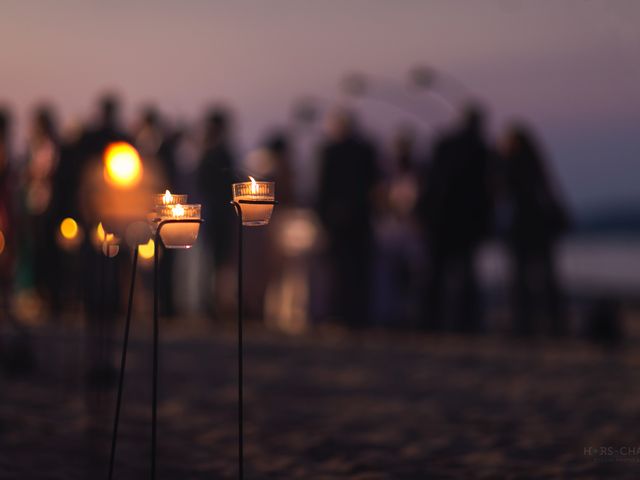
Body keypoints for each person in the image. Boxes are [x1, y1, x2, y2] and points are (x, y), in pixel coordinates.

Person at [417, 105, 493, 333]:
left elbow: (431, 183)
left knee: (437, 274)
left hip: (442, 222)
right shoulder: (479, 149)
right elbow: (485, 191)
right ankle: (465, 322)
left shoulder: (446, 145)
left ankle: (432, 321)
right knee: (464, 274)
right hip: (461, 224)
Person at [499, 123, 569, 336]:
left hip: (523, 230)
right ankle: (553, 322)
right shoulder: (536, 167)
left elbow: (504, 195)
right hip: (539, 230)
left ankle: (525, 322)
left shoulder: (511, 166)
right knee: (544, 277)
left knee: (522, 278)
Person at [317, 109, 379, 328]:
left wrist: (324, 217)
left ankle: (340, 313)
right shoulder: (366, 150)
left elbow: (322, 188)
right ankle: (357, 314)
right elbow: (375, 184)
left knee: (339, 269)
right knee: (357, 269)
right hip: (359, 218)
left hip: (339, 220)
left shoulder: (330, 151)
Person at [196, 107, 236, 317]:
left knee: (215, 261)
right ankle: (213, 304)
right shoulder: (218, 152)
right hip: (217, 213)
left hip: (216, 213)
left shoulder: (211, 152)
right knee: (215, 261)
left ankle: (215, 304)